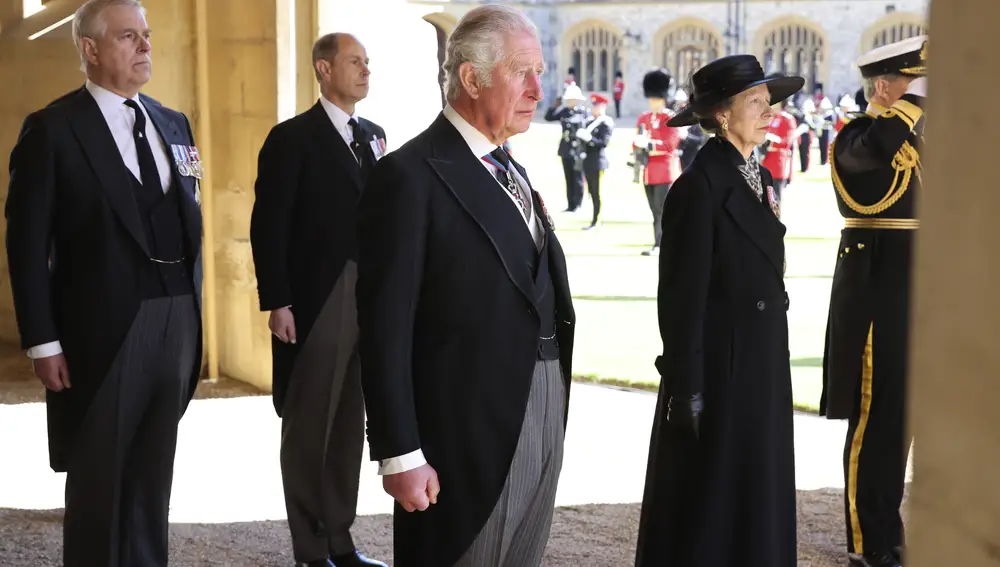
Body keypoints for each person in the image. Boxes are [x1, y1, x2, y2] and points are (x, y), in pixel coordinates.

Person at [355, 5, 575, 567]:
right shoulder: (408, 176)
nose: (537, 87)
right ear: (472, 79)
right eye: (521, 71)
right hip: (462, 424)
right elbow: (384, 328)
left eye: (540, 72)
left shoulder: (512, 168)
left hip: (541, 397)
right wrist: (399, 454)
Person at [4, 1, 202, 565]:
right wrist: (43, 341)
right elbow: (26, 245)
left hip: (177, 318)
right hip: (102, 330)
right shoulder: (52, 129)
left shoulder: (173, 122)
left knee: (152, 479)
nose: (144, 47)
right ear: (89, 50)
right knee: (99, 483)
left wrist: (193, 318)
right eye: (126, 37)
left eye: (146, 35)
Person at [634, 54, 804, 567]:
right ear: (723, 115)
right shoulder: (698, 188)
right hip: (720, 375)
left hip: (760, 365)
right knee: (713, 507)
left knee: (758, 494)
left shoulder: (758, 177)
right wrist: (686, 388)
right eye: (755, 101)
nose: (768, 110)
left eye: (768, 100)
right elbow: (680, 299)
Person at [249, 33, 387, 567]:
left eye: (368, 62)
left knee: (350, 424)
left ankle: (341, 542)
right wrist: (278, 300)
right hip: (316, 298)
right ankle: (310, 549)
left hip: (368, 298)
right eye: (355, 62)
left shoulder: (374, 135)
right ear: (324, 70)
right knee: (310, 426)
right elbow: (269, 225)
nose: (366, 70)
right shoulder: (291, 138)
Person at [820, 35, 928, 567]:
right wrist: (913, 104)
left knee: (903, 420)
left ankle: (892, 531)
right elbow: (879, 153)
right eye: (914, 84)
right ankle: (867, 540)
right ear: (885, 87)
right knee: (874, 418)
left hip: (921, 293)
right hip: (876, 295)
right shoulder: (855, 138)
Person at [634, 69, 684, 256]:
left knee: (663, 211)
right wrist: (638, 144)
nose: (652, 101)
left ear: (663, 98)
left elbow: (670, 144)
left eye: (656, 98)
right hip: (649, 171)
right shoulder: (644, 118)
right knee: (655, 211)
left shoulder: (670, 118)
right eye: (651, 98)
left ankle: (663, 244)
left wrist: (648, 144)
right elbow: (636, 142)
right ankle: (659, 242)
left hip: (665, 171)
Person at [545, 83, 588, 211]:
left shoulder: (583, 113)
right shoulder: (564, 111)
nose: (569, 101)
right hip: (565, 149)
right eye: (568, 99)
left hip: (578, 149)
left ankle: (578, 204)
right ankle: (570, 205)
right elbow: (548, 117)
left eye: (571, 99)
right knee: (568, 177)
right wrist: (554, 105)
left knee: (577, 178)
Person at [577, 93, 614, 229]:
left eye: (597, 105)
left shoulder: (605, 122)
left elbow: (603, 143)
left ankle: (596, 220)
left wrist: (589, 139)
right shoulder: (589, 122)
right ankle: (593, 219)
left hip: (598, 161)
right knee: (591, 192)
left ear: (603, 106)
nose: (594, 108)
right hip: (587, 161)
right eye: (593, 105)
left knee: (598, 192)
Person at [762, 97, 799, 207]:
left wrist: (771, 139)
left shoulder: (787, 119)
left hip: (777, 162)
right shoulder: (767, 117)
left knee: (775, 199)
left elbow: (786, 141)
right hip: (765, 161)